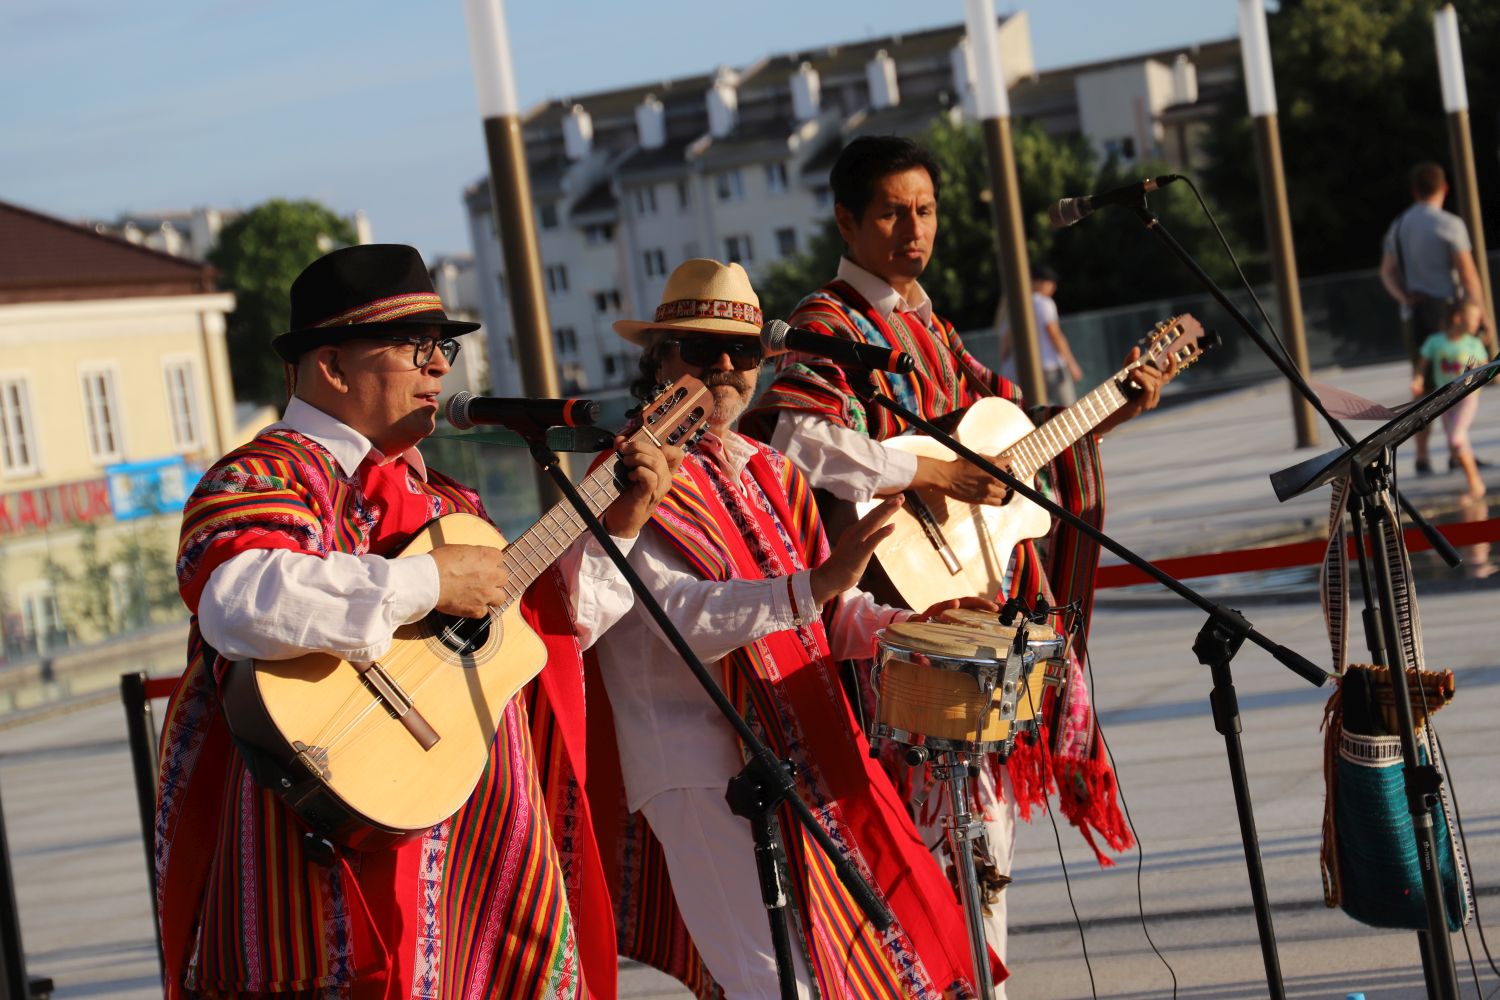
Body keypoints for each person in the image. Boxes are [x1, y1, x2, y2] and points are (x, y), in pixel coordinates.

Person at [155, 244, 680, 999]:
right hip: (324, 851)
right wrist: (424, 581)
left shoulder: (451, 503)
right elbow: (236, 598)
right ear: (332, 365)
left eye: (446, 348)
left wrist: (620, 521)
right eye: (417, 346)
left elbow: (540, 636)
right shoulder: (263, 473)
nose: (442, 367)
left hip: (476, 865)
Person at [740, 134, 1174, 991]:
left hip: (971, 611)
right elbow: (799, 436)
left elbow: (1005, 428)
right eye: (894, 212)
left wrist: (1107, 411)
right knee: (925, 855)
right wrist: (929, 469)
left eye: (926, 210)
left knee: (985, 848)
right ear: (847, 220)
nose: (915, 230)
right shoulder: (828, 322)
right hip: (887, 621)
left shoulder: (927, 323)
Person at [591, 258, 1004, 998]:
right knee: (775, 983)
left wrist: (915, 626)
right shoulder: (623, 475)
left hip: (801, 747)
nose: (723, 367)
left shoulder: (771, 471)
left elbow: (826, 615)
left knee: (860, 966)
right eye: (699, 348)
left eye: (742, 353)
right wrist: (813, 586)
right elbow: (679, 620)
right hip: (694, 768)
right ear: (658, 358)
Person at [1379, 161, 1497, 474]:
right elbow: (1469, 277)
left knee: (1424, 389)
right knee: (1456, 385)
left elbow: (1387, 272)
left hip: (1416, 313)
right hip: (1448, 313)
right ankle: (1457, 451)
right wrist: (1482, 317)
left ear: (1415, 190)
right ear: (1444, 189)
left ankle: (1421, 456)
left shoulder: (1400, 225)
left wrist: (1404, 296)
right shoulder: (1449, 224)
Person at [1415, 299, 1489, 500]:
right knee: (1457, 440)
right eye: (1474, 319)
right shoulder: (1436, 341)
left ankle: (1475, 483)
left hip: (1467, 397)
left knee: (1456, 439)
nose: (1477, 324)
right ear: (1458, 318)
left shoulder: (1473, 344)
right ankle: (1474, 483)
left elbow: (1486, 367)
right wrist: (1418, 379)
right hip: (1445, 398)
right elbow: (1423, 363)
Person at [998, 265, 1082, 406]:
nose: (1053, 287)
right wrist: (1071, 364)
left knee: (1038, 411)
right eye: (1050, 283)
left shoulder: (1013, 306)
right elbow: (1054, 334)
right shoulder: (1044, 303)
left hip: (1027, 371)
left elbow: (1006, 342)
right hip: (1051, 366)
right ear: (1039, 282)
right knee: (1067, 408)